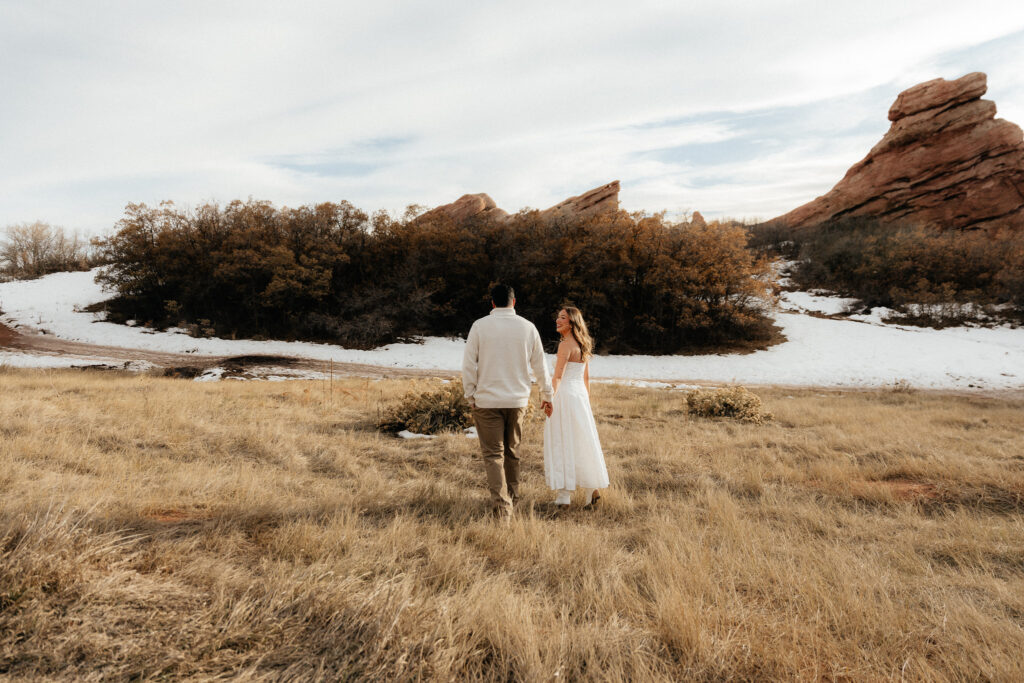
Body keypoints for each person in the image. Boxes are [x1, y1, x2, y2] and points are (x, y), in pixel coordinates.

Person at [462, 284, 553, 520]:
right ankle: (512, 499)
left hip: (487, 400)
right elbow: (540, 365)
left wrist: (470, 394)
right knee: (512, 451)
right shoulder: (528, 327)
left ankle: (503, 509)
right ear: (514, 301)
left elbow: (469, 364)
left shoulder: (480, 326)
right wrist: (547, 394)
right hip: (517, 400)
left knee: (493, 454)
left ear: (492, 303)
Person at [543, 306, 609, 509]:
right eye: (558, 316)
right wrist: (585, 402)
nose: (557, 320)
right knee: (582, 442)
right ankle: (591, 492)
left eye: (562, 318)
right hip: (580, 397)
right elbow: (586, 377)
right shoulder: (583, 344)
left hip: (565, 397)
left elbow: (558, 377)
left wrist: (549, 399)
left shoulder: (565, 345)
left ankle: (564, 498)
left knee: (563, 442)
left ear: (571, 322)